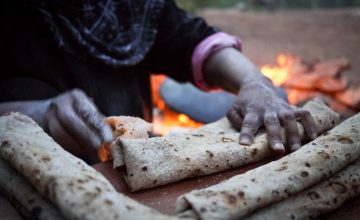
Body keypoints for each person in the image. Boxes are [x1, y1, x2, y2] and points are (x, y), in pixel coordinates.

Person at [0, 0, 316, 164]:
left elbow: (191, 41)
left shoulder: (132, 6)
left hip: (132, 165)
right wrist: (40, 114)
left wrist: (254, 82)